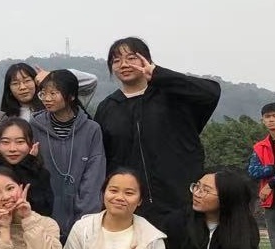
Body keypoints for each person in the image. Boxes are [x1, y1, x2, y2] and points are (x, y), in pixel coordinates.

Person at [94, 37, 221, 231]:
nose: (124, 64)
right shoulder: (108, 107)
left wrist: (159, 75)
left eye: (131, 58)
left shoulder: (173, 96)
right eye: (116, 60)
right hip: (133, 208)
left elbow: (211, 93)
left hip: (181, 203)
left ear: (147, 60)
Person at [33, 69, 106, 240]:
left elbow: (94, 176)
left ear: (71, 96)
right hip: (43, 219)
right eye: (43, 94)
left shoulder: (91, 129)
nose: (47, 99)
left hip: (83, 221)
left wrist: (85, 218)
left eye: (53, 93)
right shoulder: (35, 127)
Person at [0, 118, 54, 227]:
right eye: (5, 142)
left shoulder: (40, 173)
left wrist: (27, 166)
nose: (12, 148)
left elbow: (44, 211)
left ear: (31, 144)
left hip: (34, 231)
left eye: (20, 142)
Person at [247, 102, 275, 249]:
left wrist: (272, 182)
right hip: (271, 205)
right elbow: (253, 171)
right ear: (262, 120)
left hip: (272, 193)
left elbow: (263, 173)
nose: (271, 119)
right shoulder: (260, 147)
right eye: (267, 117)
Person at [0, 62, 98, 120]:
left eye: (27, 81)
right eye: (15, 83)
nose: (22, 87)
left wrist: (52, 76)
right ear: (9, 89)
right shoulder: (6, 118)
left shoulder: (58, 104)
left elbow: (91, 80)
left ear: (36, 81)